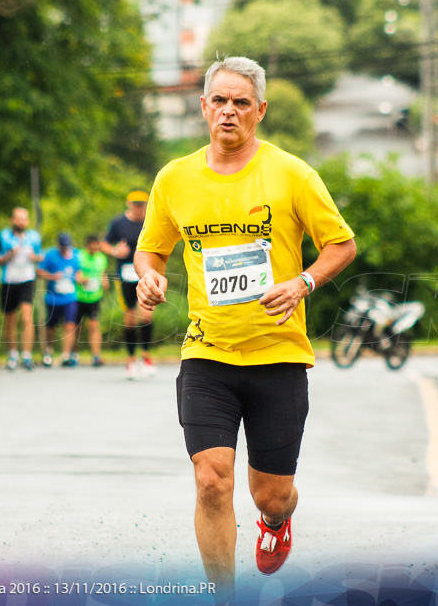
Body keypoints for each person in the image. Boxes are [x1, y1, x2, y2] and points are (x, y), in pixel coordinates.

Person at [134, 56, 356, 599]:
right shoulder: (175, 178)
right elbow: (150, 251)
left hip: (278, 354)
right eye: (219, 100)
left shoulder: (292, 174)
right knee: (211, 480)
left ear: (259, 111)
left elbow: (341, 244)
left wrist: (302, 282)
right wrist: (148, 279)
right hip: (206, 352)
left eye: (240, 103)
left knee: (270, 494)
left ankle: (277, 524)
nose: (228, 111)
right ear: (203, 107)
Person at [103, 189, 156, 379]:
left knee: (147, 315)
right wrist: (115, 251)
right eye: (136, 204)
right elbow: (105, 244)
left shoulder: (151, 221)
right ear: (129, 204)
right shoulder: (118, 223)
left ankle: (147, 356)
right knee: (130, 317)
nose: (139, 208)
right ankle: (131, 360)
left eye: (142, 204)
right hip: (125, 275)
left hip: (146, 274)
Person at [0, 207, 43, 371]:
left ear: (27, 221)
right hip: (8, 280)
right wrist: (9, 255)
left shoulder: (34, 237)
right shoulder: (4, 236)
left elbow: (40, 257)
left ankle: (27, 355)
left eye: (24, 218)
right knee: (10, 319)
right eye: (18, 218)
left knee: (27, 317)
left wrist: (34, 257)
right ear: (12, 220)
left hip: (27, 279)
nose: (21, 221)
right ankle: (12, 354)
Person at [37, 232, 83, 368]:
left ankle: (66, 355)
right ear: (58, 245)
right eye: (62, 247)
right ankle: (48, 351)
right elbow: (39, 271)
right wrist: (51, 276)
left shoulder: (75, 255)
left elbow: (78, 271)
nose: (65, 249)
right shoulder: (50, 255)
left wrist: (79, 278)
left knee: (70, 326)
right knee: (51, 327)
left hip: (70, 296)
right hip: (53, 297)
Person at [75, 235, 109, 368]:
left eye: (97, 245)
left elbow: (103, 274)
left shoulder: (101, 258)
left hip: (94, 297)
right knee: (77, 327)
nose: (95, 248)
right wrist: (83, 279)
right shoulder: (79, 256)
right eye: (93, 245)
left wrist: (105, 282)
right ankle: (74, 353)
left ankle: (96, 355)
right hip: (79, 296)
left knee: (94, 325)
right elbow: (75, 273)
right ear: (88, 245)